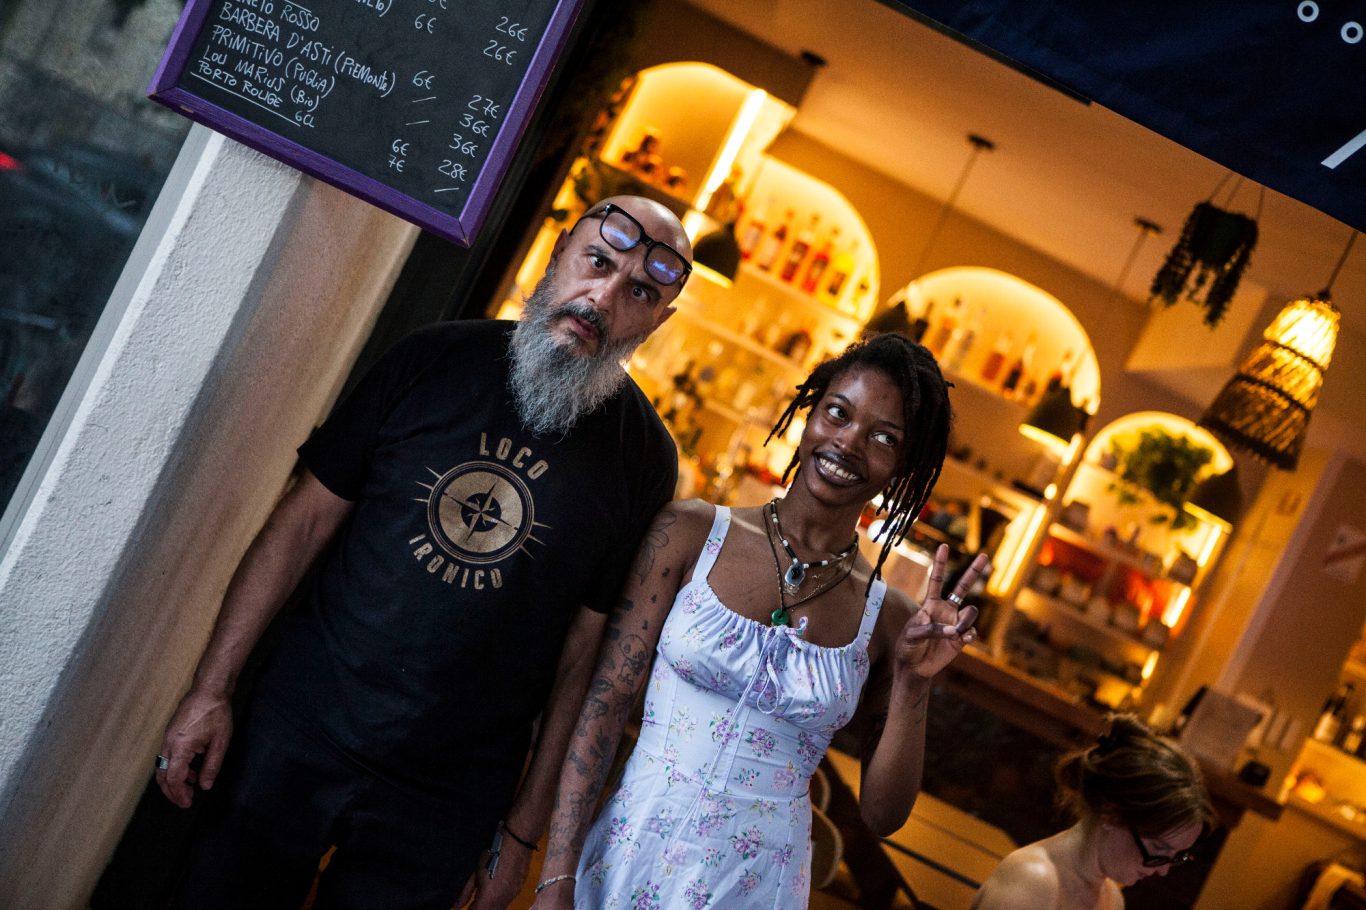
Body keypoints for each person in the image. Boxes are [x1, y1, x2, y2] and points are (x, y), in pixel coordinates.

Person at [154, 195, 692, 910]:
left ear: (659, 321)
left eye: (640, 293)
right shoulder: (431, 360)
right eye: (597, 261)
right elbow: (301, 525)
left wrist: (520, 838)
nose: (603, 297)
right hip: (298, 730)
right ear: (560, 250)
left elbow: (582, 658)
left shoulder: (644, 459)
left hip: (450, 796)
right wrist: (210, 691)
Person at [530, 333, 991, 909]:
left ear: (903, 467)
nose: (848, 443)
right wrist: (555, 872)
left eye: (883, 438)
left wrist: (914, 683)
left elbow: (882, 815)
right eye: (838, 414)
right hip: (625, 859)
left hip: (757, 888)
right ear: (810, 412)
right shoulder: (689, 533)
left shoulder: (890, 619)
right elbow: (604, 705)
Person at [973, 714, 1215, 910]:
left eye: (1177, 857)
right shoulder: (1033, 881)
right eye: (1159, 849)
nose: (1163, 870)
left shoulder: (1112, 899)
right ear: (1112, 812)